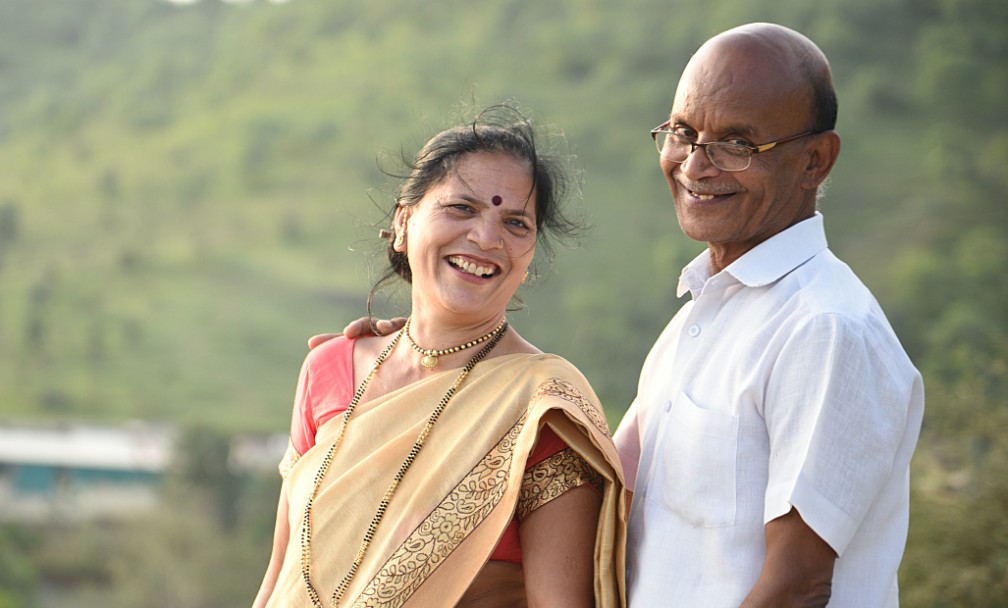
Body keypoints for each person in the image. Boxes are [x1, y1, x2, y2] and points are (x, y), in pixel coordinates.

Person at [325, 23, 924, 608]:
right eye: (683, 133)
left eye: (737, 144)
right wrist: (425, 356)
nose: (695, 165)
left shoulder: (825, 329)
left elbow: (796, 589)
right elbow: (599, 486)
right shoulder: (703, 317)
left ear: (815, 160)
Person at [253, 106, 629, 608]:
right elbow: (281, 576)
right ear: (404, 223)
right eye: (462, 208)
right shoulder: (329, 368)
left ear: (531, 252)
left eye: (515, 222)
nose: (487, 237)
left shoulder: (543, 407)